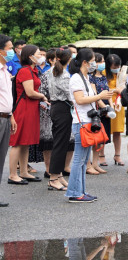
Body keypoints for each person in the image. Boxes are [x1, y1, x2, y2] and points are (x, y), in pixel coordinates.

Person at [65, 48, 113, 203]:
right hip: (81, 123)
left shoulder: (85, 77)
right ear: (85, 62)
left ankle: (81, 191)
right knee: (79, 159)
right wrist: (99, 96)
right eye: (93, 61)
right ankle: (74, 192)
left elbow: (90, 98)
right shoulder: (76, 78)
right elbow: (79, 100)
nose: (95, 64)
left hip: (86, 121)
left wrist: (102, 102)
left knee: (84, 159)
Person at [7, 44, 48, 185]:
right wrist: (42, 96)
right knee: (18, 142)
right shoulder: (25, 71)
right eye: (38, 53)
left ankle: (24, 171)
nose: (41, 56)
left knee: (26, 143)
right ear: (30, 56)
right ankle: (13, 174)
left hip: (30, 108)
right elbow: (29, 92)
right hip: (23, 109)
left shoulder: (33, 70)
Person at [48, 48, 74, 192]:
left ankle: (58, 175)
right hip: (62, 108)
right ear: (68, 60)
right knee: (60, 143)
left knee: (61, 142)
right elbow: (70, 96)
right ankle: (53, 178)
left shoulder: (52, 70)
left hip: (56, 107)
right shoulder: (63, 75)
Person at [0, 35, 18, 206]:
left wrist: (11, 115)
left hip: (6, 117)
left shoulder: (5, 70)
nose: (12, 51)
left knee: (1, 157)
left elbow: (6, 97)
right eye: (9, 48)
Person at [37, 48, 58, 181]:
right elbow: (42, 92)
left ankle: (58, 169)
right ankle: (48, 168)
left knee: (60, 141)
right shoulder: (45, 75)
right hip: (47, 109)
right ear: (51, 60)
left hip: (62, 110)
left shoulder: (65, 74)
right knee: (48, 140)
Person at [88, 52, 111, 173]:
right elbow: (96, 95)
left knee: (99, 138)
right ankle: (88, 164)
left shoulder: (103, 76)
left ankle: (96, 163)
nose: (102, 64)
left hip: (105, 109)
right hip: (96, 109)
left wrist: (111, 107)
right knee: (91, 138)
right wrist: (105, 108)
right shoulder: (89, 77)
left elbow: (108, 92)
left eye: (103, 61)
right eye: (100, 61)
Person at [105, 54, 126, 166]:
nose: (116, 68)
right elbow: (102, 88)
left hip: (118, 105)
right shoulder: (104, 74)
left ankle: (117, 155)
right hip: (107, 103)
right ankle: (101, 155)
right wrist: (115, 90)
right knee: (103, 129)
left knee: (117, 131)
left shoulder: (121, 74)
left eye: (118, 65)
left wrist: (120, 90)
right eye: (114, 66)